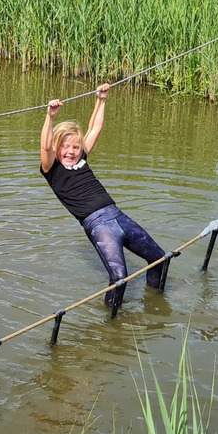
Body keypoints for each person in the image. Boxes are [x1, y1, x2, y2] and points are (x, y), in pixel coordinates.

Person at [39, 85, 169, 311]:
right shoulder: (52, 168)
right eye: (66, 147)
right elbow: (44, 145)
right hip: (98, 225)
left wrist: (102, 99)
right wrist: (49, 117)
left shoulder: (82, 159)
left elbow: (95, 128)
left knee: (160, 258)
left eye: (75, 147)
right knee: (120, 278)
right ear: (56, 146)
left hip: (118, 216)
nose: (71, 151)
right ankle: (111, 327)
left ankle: (154, 303)